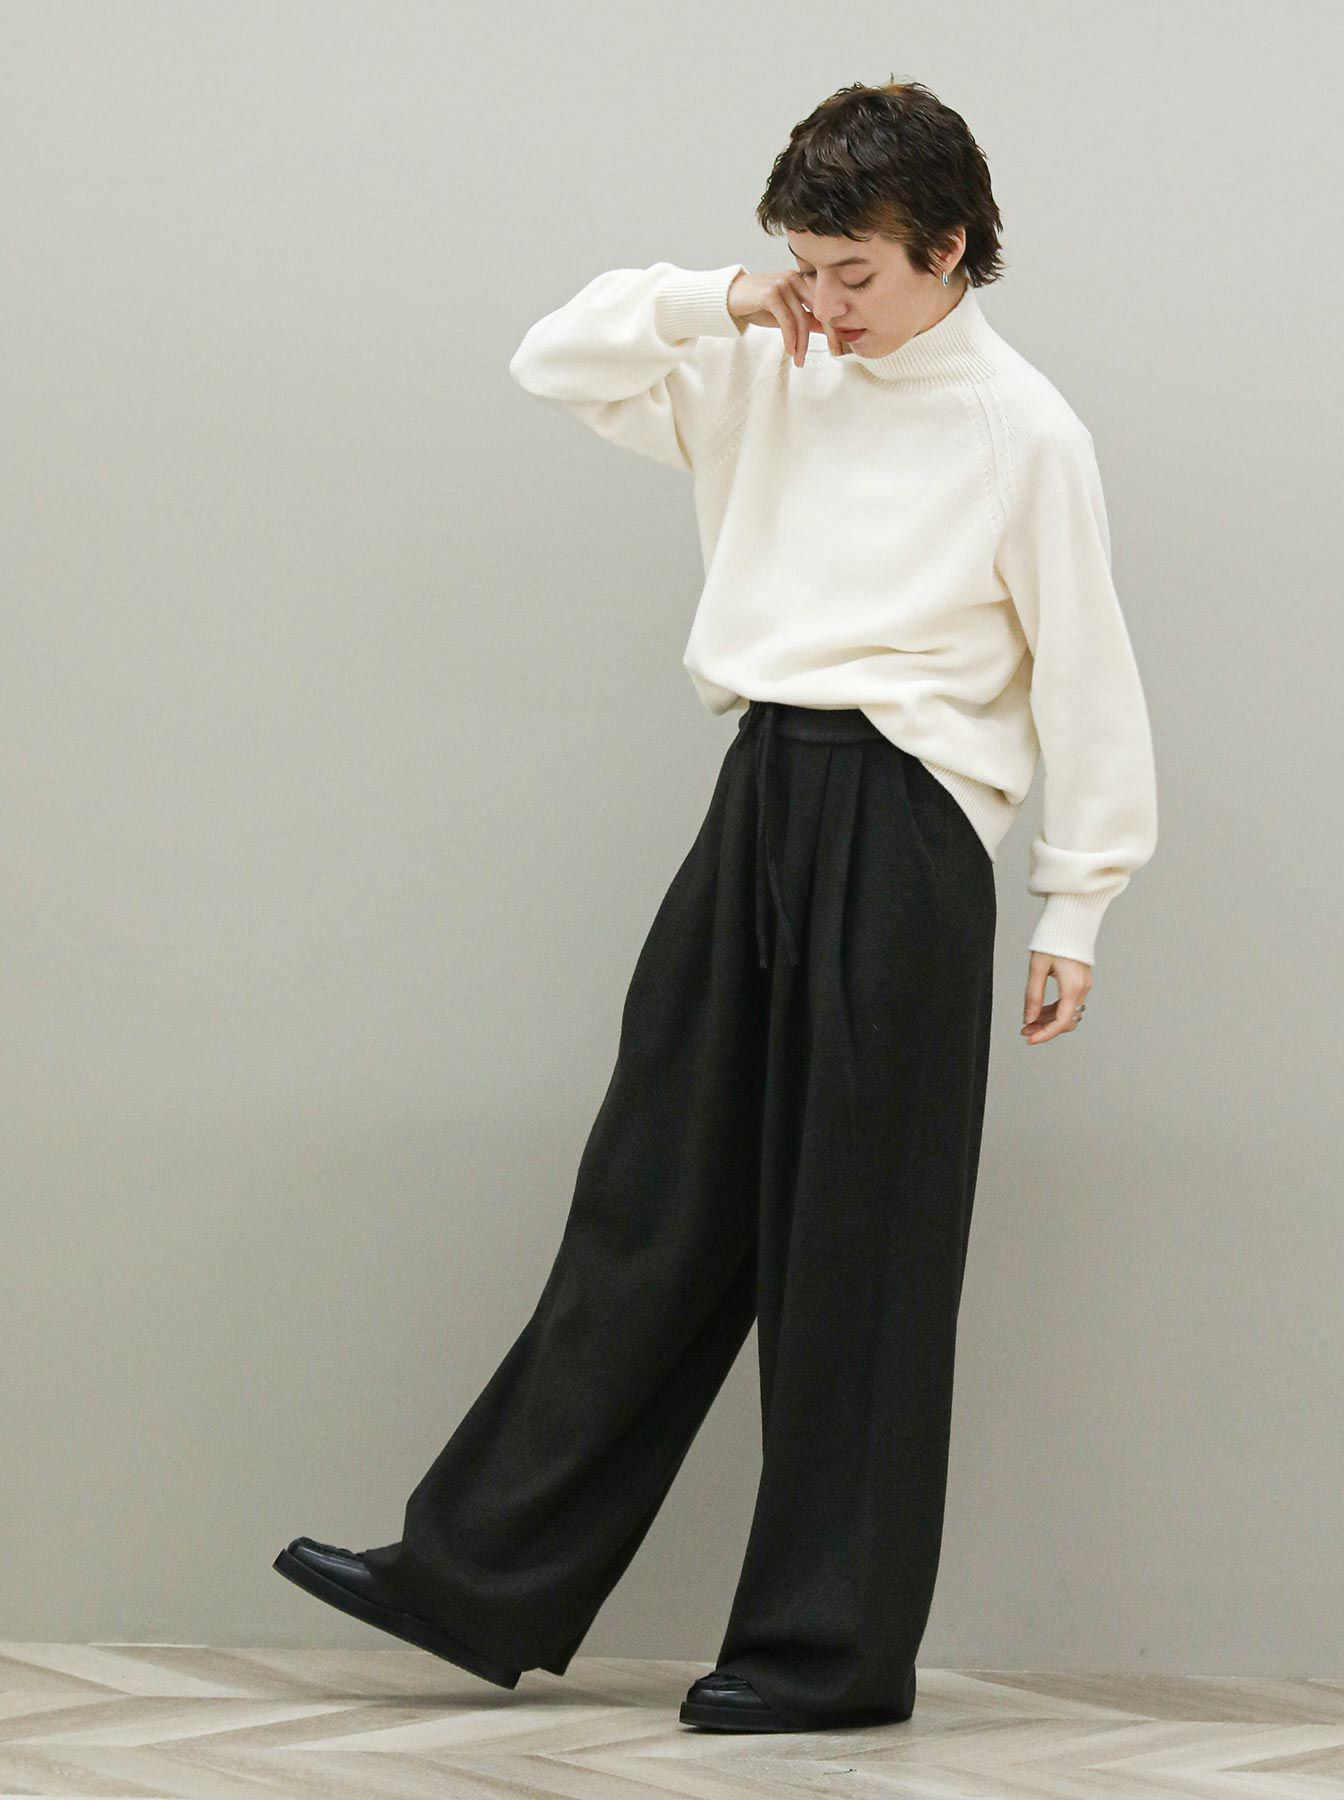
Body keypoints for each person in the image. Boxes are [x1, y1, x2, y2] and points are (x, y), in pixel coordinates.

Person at [274, 77, 1157, 1735]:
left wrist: (1077, 903)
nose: (827, 302)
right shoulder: (765, 355)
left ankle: (828, 1655)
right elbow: (556, 360)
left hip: (910, 820)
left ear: (949, 248)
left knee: (860, 1248)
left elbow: (1088, 674)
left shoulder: (1023, 428)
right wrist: (729, 299)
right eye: (805, 267)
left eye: (855, 274)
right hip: (759, 789)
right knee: (652, 1198)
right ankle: (473, 1574)